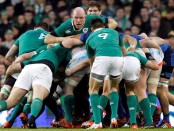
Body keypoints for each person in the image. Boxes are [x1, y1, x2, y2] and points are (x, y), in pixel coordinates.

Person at [85, 18, 126, 129]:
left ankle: (98, 122)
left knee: (93, 89)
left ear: (92, 29)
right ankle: (113, 117)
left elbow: (91, 61)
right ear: (104, 26)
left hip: (101, 58)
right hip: (118, 58)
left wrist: (96, 76)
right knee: (113, 88)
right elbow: (124, 52)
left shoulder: (89, 38)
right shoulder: (114, 32)